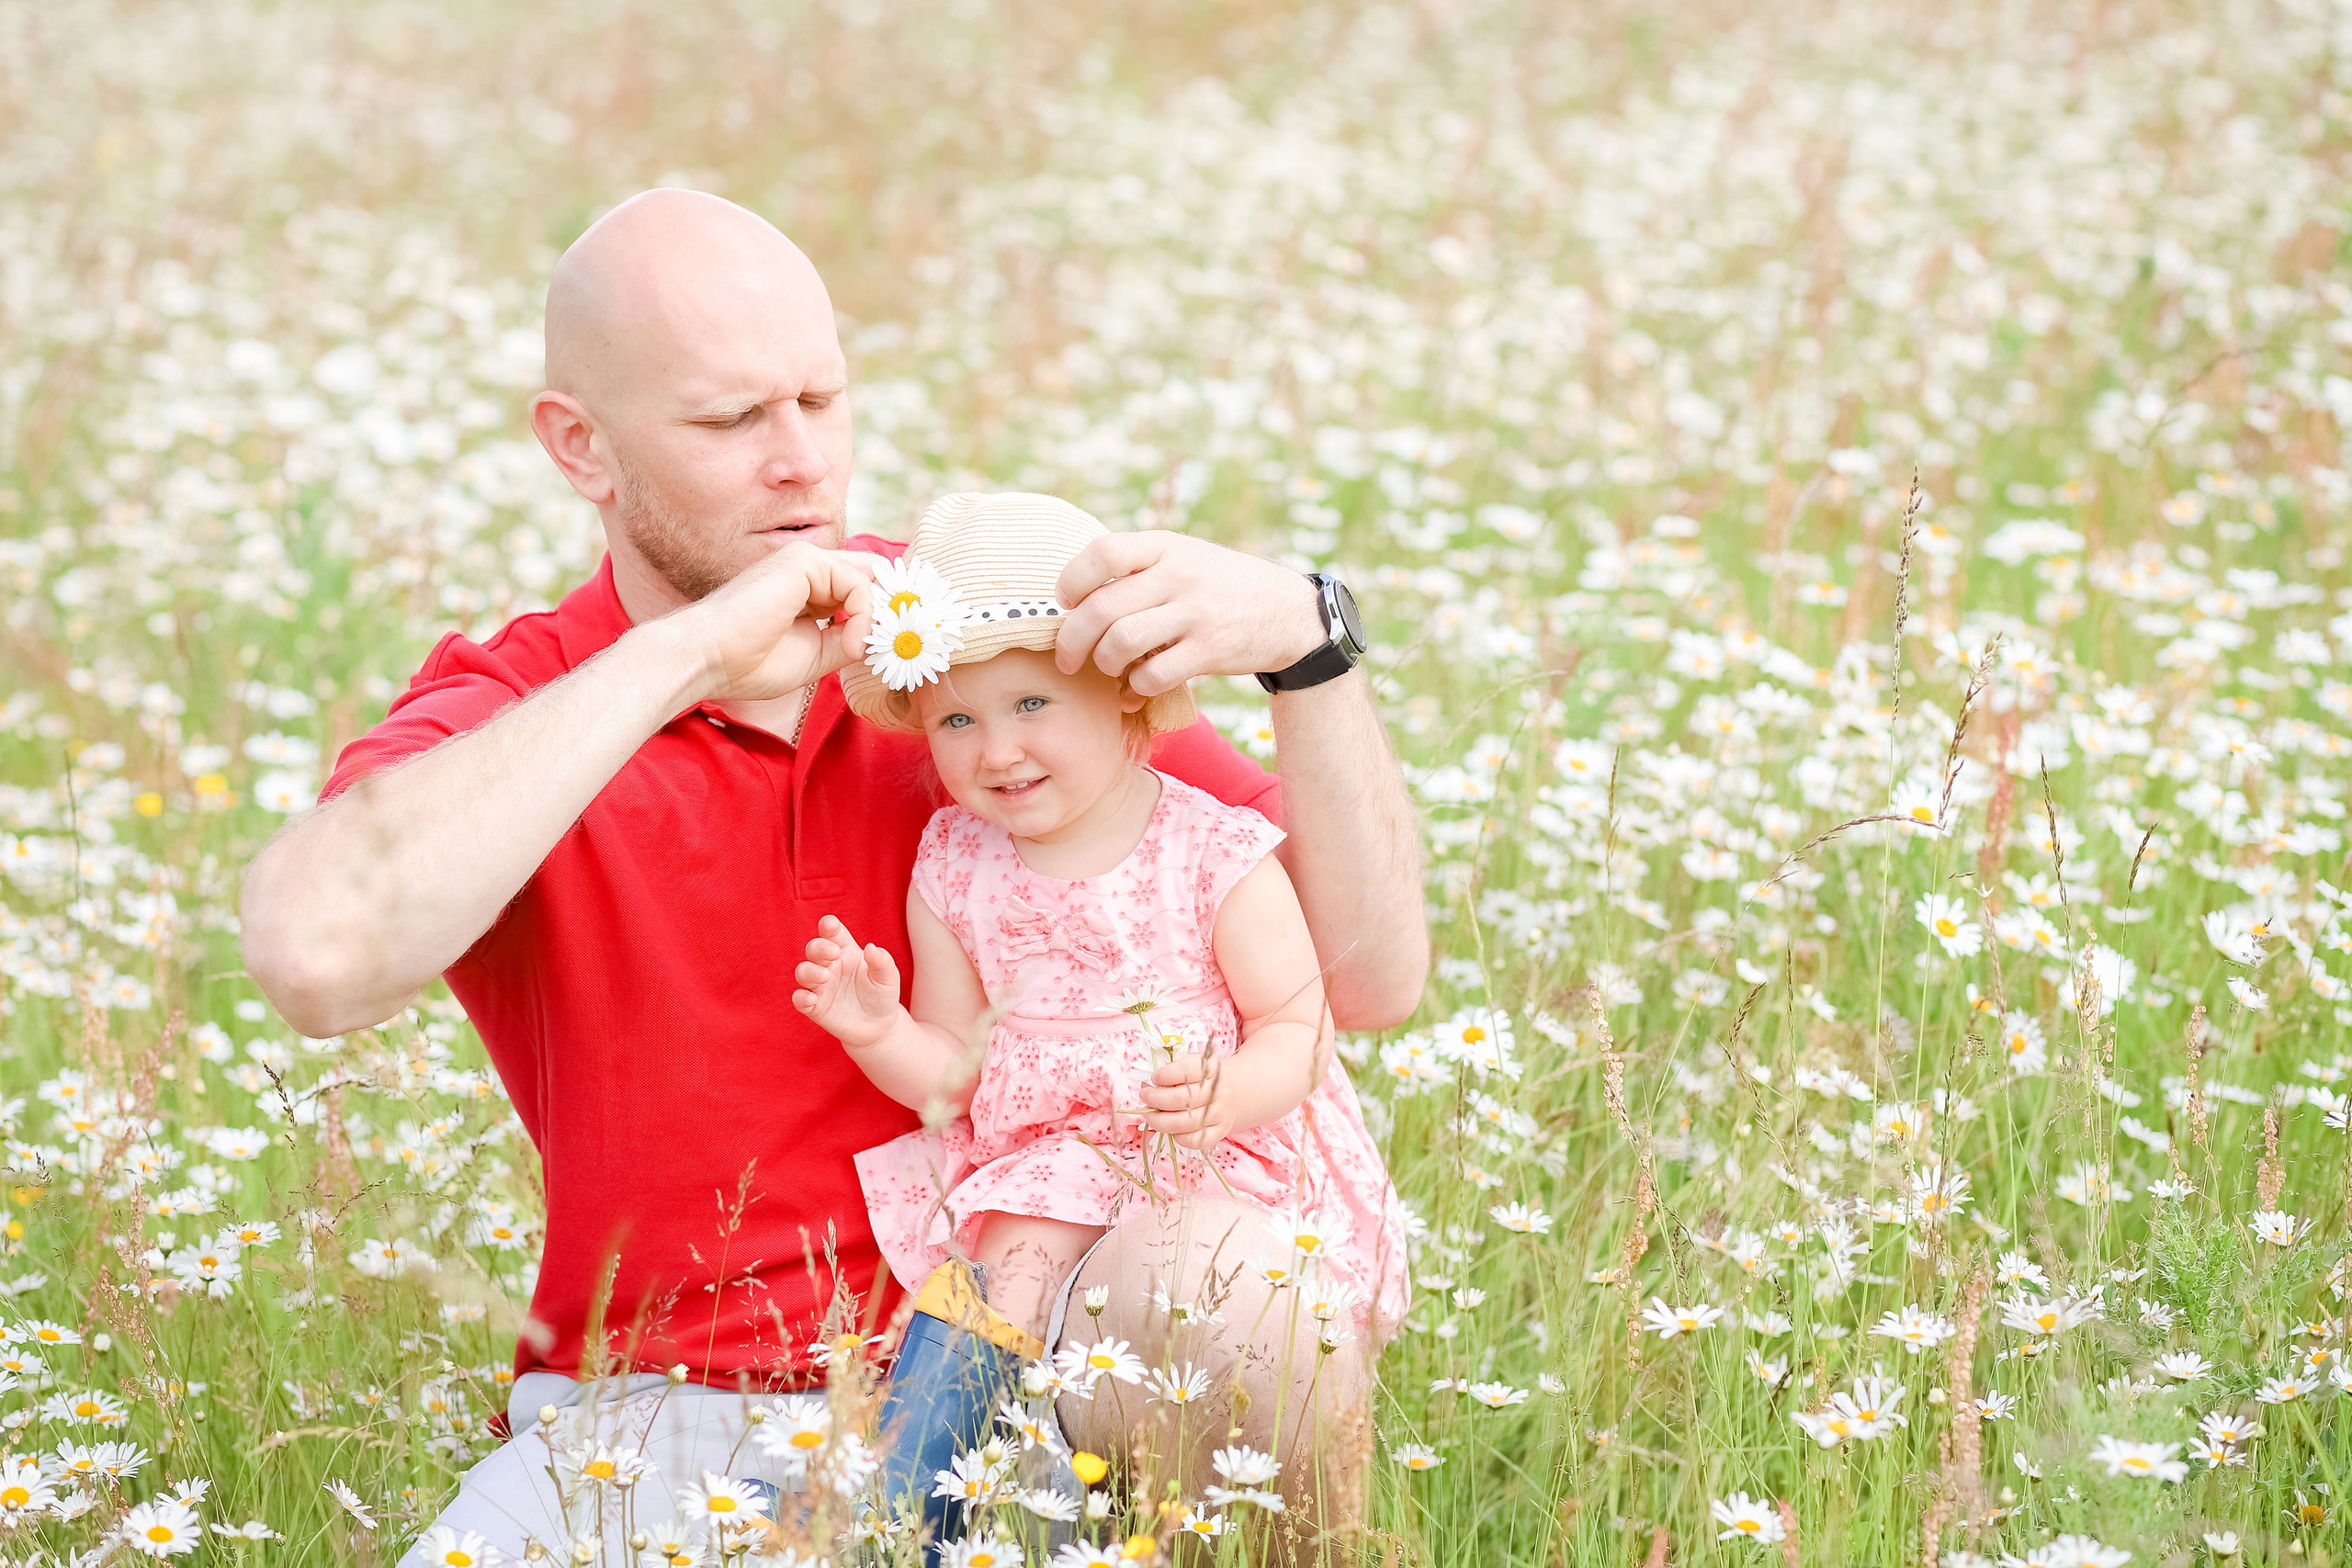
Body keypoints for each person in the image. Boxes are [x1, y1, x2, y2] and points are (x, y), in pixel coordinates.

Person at [236, 188, 1425, 1562]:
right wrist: (692, 651)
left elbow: (1372, 979)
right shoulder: (530, 704)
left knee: (1238, 1286)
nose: (802, 464)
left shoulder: (974, 658)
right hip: (661, 1421)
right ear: (582, 448)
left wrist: (1308, 648)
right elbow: (315, 956)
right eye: (733, 420)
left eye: (821, 399)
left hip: (1041, 1366)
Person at [792, 492, 1408, 1545]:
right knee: (1006, 1260)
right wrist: (875, 1029)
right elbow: (956, 1076)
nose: (996, 749)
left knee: (1128, 1278)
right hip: (1049, 1166)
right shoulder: (955, 862)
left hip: (1204, 1146)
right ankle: (912, 1504)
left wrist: (1226, 1095)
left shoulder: (1211, 850)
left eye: (1034, 705)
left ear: (1130, 711)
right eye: (957, 719)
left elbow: (1298, 1026)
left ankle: (915, 1500)